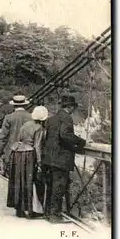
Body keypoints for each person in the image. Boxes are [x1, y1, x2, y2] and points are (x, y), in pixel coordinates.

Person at [41, 95, 86, 224]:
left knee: (50, 187)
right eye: (73, 108)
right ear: (70, 107)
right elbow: (65, 134)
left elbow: (48, 137)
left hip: (48, 158)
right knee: (59, 187)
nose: (73, 110)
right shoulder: (66, 118)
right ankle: (55, 216)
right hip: (61, 159)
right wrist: (80, 142)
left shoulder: (51, 119)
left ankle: (48, 213)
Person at [7, 106, 48, 218]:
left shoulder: (26, 125)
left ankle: (19, 209)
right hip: (29, 154)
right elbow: (37, 146)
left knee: (19, 181)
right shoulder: (39, 128)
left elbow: (19, 139)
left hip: (17, 153)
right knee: (30, 181)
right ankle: (31, 210)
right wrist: (39, 162)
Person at [0, 95, 33, 176]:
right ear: (25, 105)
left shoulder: (8, 118)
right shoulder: (31, 117)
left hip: (12, 153)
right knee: (26, 178)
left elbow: (3, 137)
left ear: (13, 105)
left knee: (13, 179)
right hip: (28, 153)